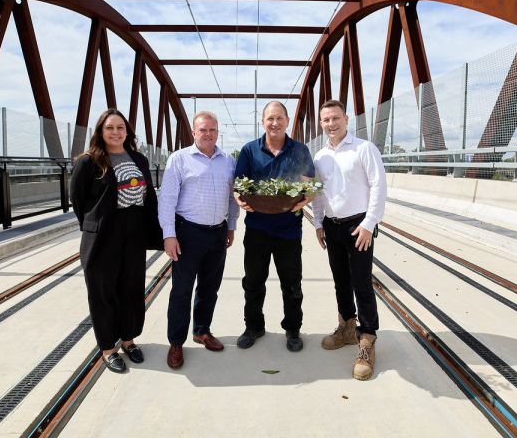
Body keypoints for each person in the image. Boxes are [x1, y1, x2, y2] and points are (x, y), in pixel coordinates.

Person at [70, 109, 164, 374]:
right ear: (100, 132)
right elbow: (77, 200)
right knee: (103, 292)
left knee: (131, 289)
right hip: (103, 235)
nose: (115, 132)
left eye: (120, 127)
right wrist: (93, 226)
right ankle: (108, 348)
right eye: (109, 128)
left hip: (133, 231)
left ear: (127, 131)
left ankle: (129, 340)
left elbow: (149, 197)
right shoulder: (88, 162)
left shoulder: (138, 159)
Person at [311, 100, 387, 381]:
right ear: (321, 124)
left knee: (361, 282)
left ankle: (367, 339)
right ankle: (346, 327)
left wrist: (369, 224)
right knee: (340, 280)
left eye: (335, 118)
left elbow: (379, 185)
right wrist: (319, 223)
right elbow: (318, 193)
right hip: (332, 226)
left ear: (346, 118)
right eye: (325, 120)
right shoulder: (320, 157)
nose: (331, 124)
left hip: (358, 226)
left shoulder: (364, 148)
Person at [158, 111, 239, 369]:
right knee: (181, 290)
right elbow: (167, 199)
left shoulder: (227, 161)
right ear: (194, 132)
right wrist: (168, 234)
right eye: (203, 130)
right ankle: (176, 342)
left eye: (212, 130)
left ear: (218, 132)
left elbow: (231, 198)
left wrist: (231, 227)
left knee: (209, 287)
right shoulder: (179, 159)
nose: (208, 134)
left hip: (218, 231)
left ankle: (202, 331)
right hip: (188, 232)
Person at [234, 101, 316, 352]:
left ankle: (292, 329)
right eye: (270, 118)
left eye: (279, 118)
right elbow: (238, 184)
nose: (274, 123)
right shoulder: (249, 150)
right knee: (253, 281)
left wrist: (307, 197)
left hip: (289, 229)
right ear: (262, 122)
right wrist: (239, 197)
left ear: (287, 121)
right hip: (257, 228)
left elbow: (310, 184)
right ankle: (254, 326)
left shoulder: (300, 150)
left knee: (291, 283)